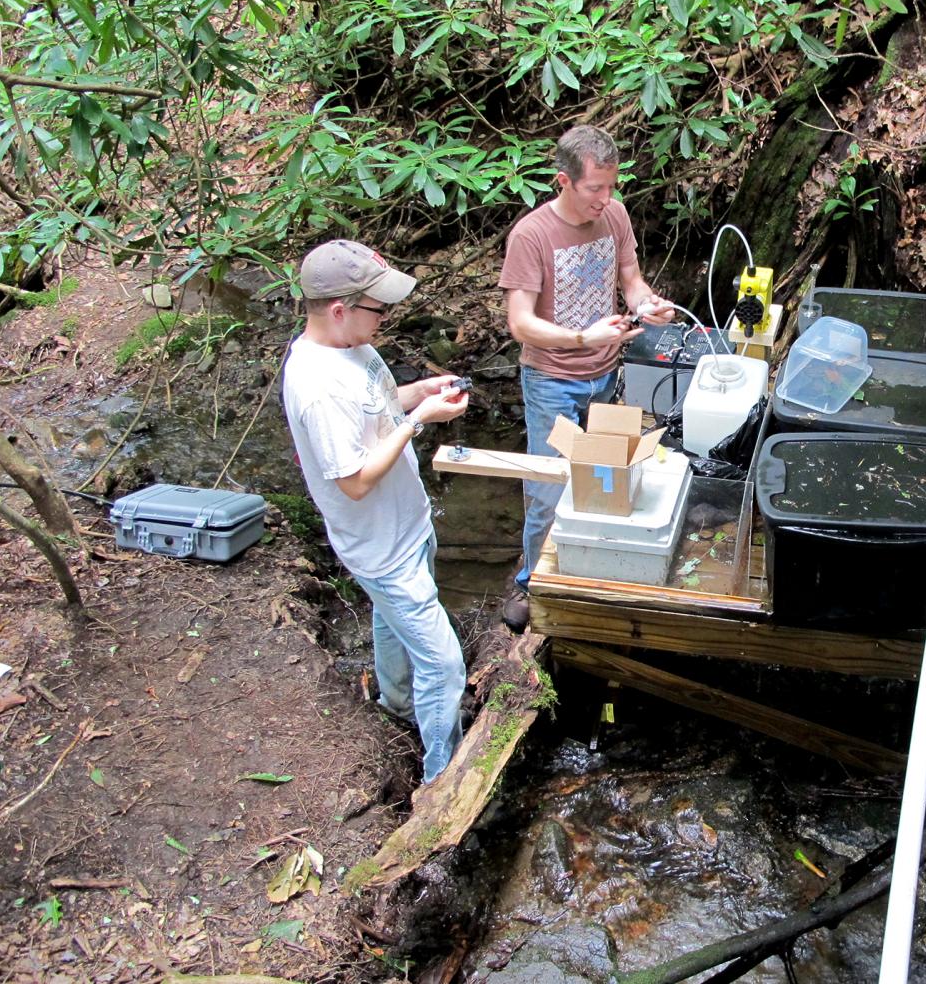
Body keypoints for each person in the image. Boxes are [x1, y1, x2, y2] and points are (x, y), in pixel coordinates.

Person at [282, 239, 470, 784]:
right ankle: (442, 781)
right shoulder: (317, 387)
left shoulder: (351, 347)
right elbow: (355, 481)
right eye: (379, 309)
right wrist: (421, 421)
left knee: (390, 622)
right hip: (380, 548)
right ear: (339, 310)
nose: (385, 319)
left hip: (407, 526)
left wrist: (417, 395)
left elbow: (377, 408)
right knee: (444, 664)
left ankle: (396, 704)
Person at [498, 124, 675, 631]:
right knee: (548, 490)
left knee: (605, 476)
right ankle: (532, 583)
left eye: (612, 186)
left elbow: (632, 281)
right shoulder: (531, 235)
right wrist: (582, 338)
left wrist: (648, 306)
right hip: (552, 378)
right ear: (564, 182)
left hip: (605, 376)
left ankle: (590, 568)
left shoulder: (614, 215)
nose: (606, 198)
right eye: (595, 188)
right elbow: (520, 323)